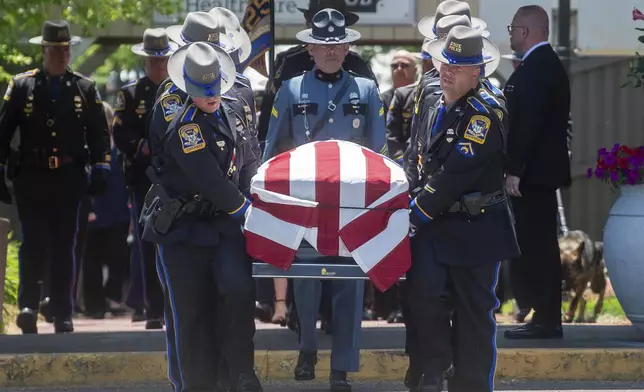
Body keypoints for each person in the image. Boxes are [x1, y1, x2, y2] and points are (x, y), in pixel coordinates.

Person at [263, 8, 386, 392]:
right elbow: (273, 145)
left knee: (350, 284)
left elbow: (379, 147)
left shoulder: (365, 89)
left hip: (350, 202)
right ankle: (308, 348)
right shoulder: (291, 88)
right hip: (307, 202)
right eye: (323, 45)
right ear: (311, 49)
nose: (331, 51)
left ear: (348, 47)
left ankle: (341, 370)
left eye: (337, 44)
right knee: (306, 279)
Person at [140, 41, 262, 392]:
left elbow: (248, 159)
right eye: (202, 91)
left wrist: (261, 195)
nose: (211, 97)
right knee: (191, 315)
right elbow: (209, 179)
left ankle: (239, 373)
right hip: (185, 232)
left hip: (223, 228)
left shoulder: (232, 112)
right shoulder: (186, 127)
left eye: (215, 89)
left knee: (237, 294)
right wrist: (247, 211)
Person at [405, 26, 520, 392]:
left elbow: (455, 173)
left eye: (459, 66)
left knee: (473, 316)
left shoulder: (485, 112)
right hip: (437, 224)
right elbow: (419, 156)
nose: (447, 71)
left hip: (476, 229)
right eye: (446, 63)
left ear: (478, 72)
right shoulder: (435, 101)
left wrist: (413, 214)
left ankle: (469, 384)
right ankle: (432, 371)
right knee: (423, 297)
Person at [0, 20, 111, 334]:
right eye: (55, 50)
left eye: (66, 50)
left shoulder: (84, 88)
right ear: (44, 51)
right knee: (32, 243)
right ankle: (28, 307)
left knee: (64, 245)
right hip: (31, 178)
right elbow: (4, 130)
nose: (62, 56)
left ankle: (63, 311)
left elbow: (99, 133)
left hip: (68, 178)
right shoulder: (22, 85)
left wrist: (102, 168)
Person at [503, 5, 571, 340]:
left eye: (513, 29)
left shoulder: (538, 67)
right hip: (537, 173)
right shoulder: (539, 65)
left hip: (534, 176)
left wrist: (516, 170)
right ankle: (542, 316)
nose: (511, 35)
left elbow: (528, 125)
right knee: (536, 245)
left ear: (526, 31)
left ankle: (546, 320)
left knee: (539, 246)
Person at [112, 28, 178, 329]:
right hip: (143, 179)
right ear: (145, 62)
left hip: (176, 180)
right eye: (154, 60)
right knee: (147, 243)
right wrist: (142, 147)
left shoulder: (180, 91)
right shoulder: (131, 94)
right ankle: (152, 308)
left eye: (163, 59)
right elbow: (120, 132)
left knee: (175, 243)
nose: (159, 65)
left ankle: (173, 307)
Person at [81, 102, 131, 319]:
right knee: (91, 261)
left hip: (118, 211)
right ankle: (94, 305)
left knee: (118, 259)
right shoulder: (85, 147)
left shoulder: (119, 149)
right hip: (93, 211)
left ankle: (113, 297)